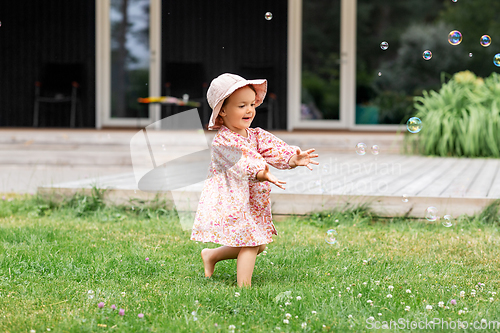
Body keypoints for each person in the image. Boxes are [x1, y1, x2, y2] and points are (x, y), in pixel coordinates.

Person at [190, 73, 319, 287]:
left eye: (252, 104)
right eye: (241, 106)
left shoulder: (254, 135)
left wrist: (292, 158)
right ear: (222, 110)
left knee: (260, 245)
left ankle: (211, 255)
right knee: (251, 243)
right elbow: (241, 165)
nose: (249, 110)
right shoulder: (223, 142)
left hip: (250, 200)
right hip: (232, 200)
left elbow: (273, 148)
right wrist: (261, 173)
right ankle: (244, 288)